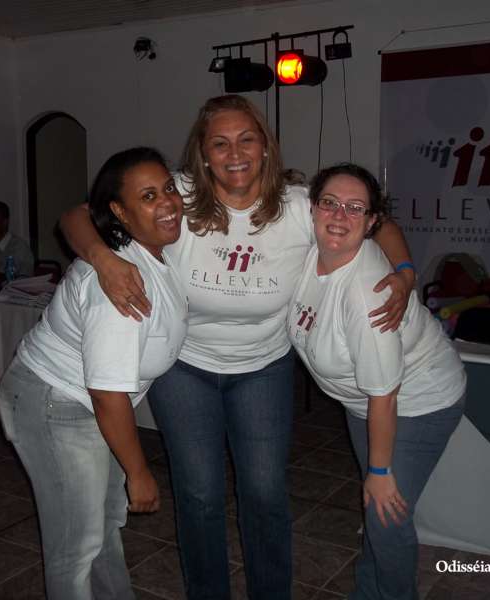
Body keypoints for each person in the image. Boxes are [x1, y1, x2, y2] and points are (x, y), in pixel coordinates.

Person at [60, 95, 416, 599]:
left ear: (266, 146)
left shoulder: (298, 204)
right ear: (203, 154)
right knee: (199, 494)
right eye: (220, 143)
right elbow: (76, 215)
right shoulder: (178, 194)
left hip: (263, 368)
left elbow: (380, 224)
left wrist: (406, 274)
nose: (235, 153)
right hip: (185, 367)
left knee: (265, 492)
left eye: (247, 139)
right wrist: (103, 258)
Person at [0, 148, 187, 600]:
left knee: (101, 527)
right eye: (148, 196)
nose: (167, 202)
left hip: (85, 405)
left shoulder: (150, 251)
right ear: (119, 212)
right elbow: (106, 393)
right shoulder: (117, 288)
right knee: (76, 546)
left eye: (168, 189)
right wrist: (138, 471)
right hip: (56, 403)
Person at [288, 163, 466, 600]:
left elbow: (385, 395)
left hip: (418, 400)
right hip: (364, 403)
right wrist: (407, 269)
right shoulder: (311, 245)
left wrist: (381, 472)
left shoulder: (367, 296)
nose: (339, 215)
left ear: (370, 222)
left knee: (385, 516)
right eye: (330, 203)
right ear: (312, 209)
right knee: (375, 511)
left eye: (355, 208)